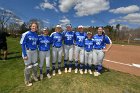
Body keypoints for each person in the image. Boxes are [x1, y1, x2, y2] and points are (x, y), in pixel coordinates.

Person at [20, 22, 39, 86]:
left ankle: (34, 76)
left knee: (35, 65)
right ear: (30, 27)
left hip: (34, 51)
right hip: (28, 51)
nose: (34, 27)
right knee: (28, 67)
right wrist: (25, 54)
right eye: (33, 26)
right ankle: (27, 80)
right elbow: (22, 44)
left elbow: (37, 43)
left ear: (37, 28)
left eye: (36, 27)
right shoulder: (26, 34)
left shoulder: (36, 34)